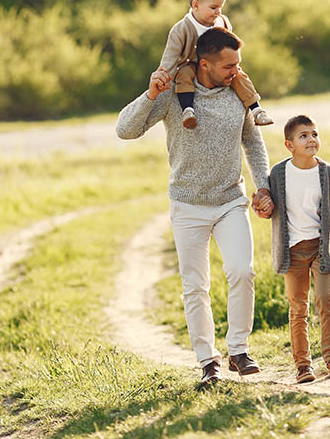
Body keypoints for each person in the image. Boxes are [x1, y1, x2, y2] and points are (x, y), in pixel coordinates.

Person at [116, 27, 273, 386]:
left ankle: (239, 349)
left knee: (242, 271)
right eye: (228, 65)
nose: (237, 71)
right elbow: (125, 130)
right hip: (187, 204)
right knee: (195, 286)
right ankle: (208, 361)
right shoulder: (174, 94)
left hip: (230, 200)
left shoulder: (238, 92)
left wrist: (263, 186)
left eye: (238, 64)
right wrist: (149, 94)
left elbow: (254, 143)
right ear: (204, 64)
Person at [255, 115, 330, 383]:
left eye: (314, 134)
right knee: (297, 306)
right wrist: (261, 207)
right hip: (292, 252)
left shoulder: (329, 173)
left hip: (321, 249)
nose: (311, 139)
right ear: (289, 145)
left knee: (326, 299)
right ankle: (303, 365)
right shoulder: (278, 174)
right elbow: (270, 209)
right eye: (304, 136)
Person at [158, 0, 273, 129]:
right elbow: (170, 57)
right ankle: (187, 110)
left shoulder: (222, 21)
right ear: (195, 5)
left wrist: (234, 64)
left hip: (218, 64)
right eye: (213, 8)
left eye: (220, 7)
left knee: (239, 76)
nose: (218, 12)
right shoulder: (181, 29)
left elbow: (231, 44)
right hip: (192, 64)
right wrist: (164, 76)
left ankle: (256, 110)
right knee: (183, 75)